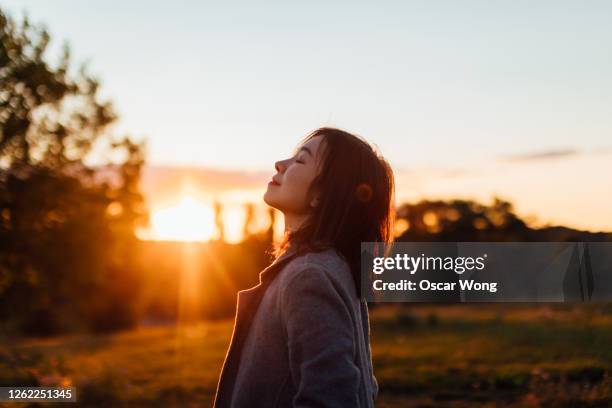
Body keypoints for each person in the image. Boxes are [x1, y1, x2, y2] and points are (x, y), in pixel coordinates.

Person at [213, 127, 395, 407]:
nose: (280, 164)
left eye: (300, 160)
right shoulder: (331, 266)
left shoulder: (309, 276)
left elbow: (332, 399)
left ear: (322, 194)